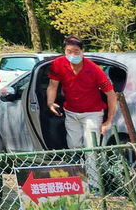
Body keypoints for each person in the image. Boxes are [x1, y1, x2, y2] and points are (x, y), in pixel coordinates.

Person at [46, 36, 117, 190]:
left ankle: (95, 186)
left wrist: (108, 121)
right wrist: (50, 103)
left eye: (76, 51)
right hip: (71, 112)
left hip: (93, 113)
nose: (72, 54)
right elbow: (52, 85)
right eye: (68, 51)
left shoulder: (93, 69)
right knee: (74, 146)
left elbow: (111, 94)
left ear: (83, 51)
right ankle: (78, 181)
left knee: (90, 149)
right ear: (64, 51)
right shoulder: (58, 64)